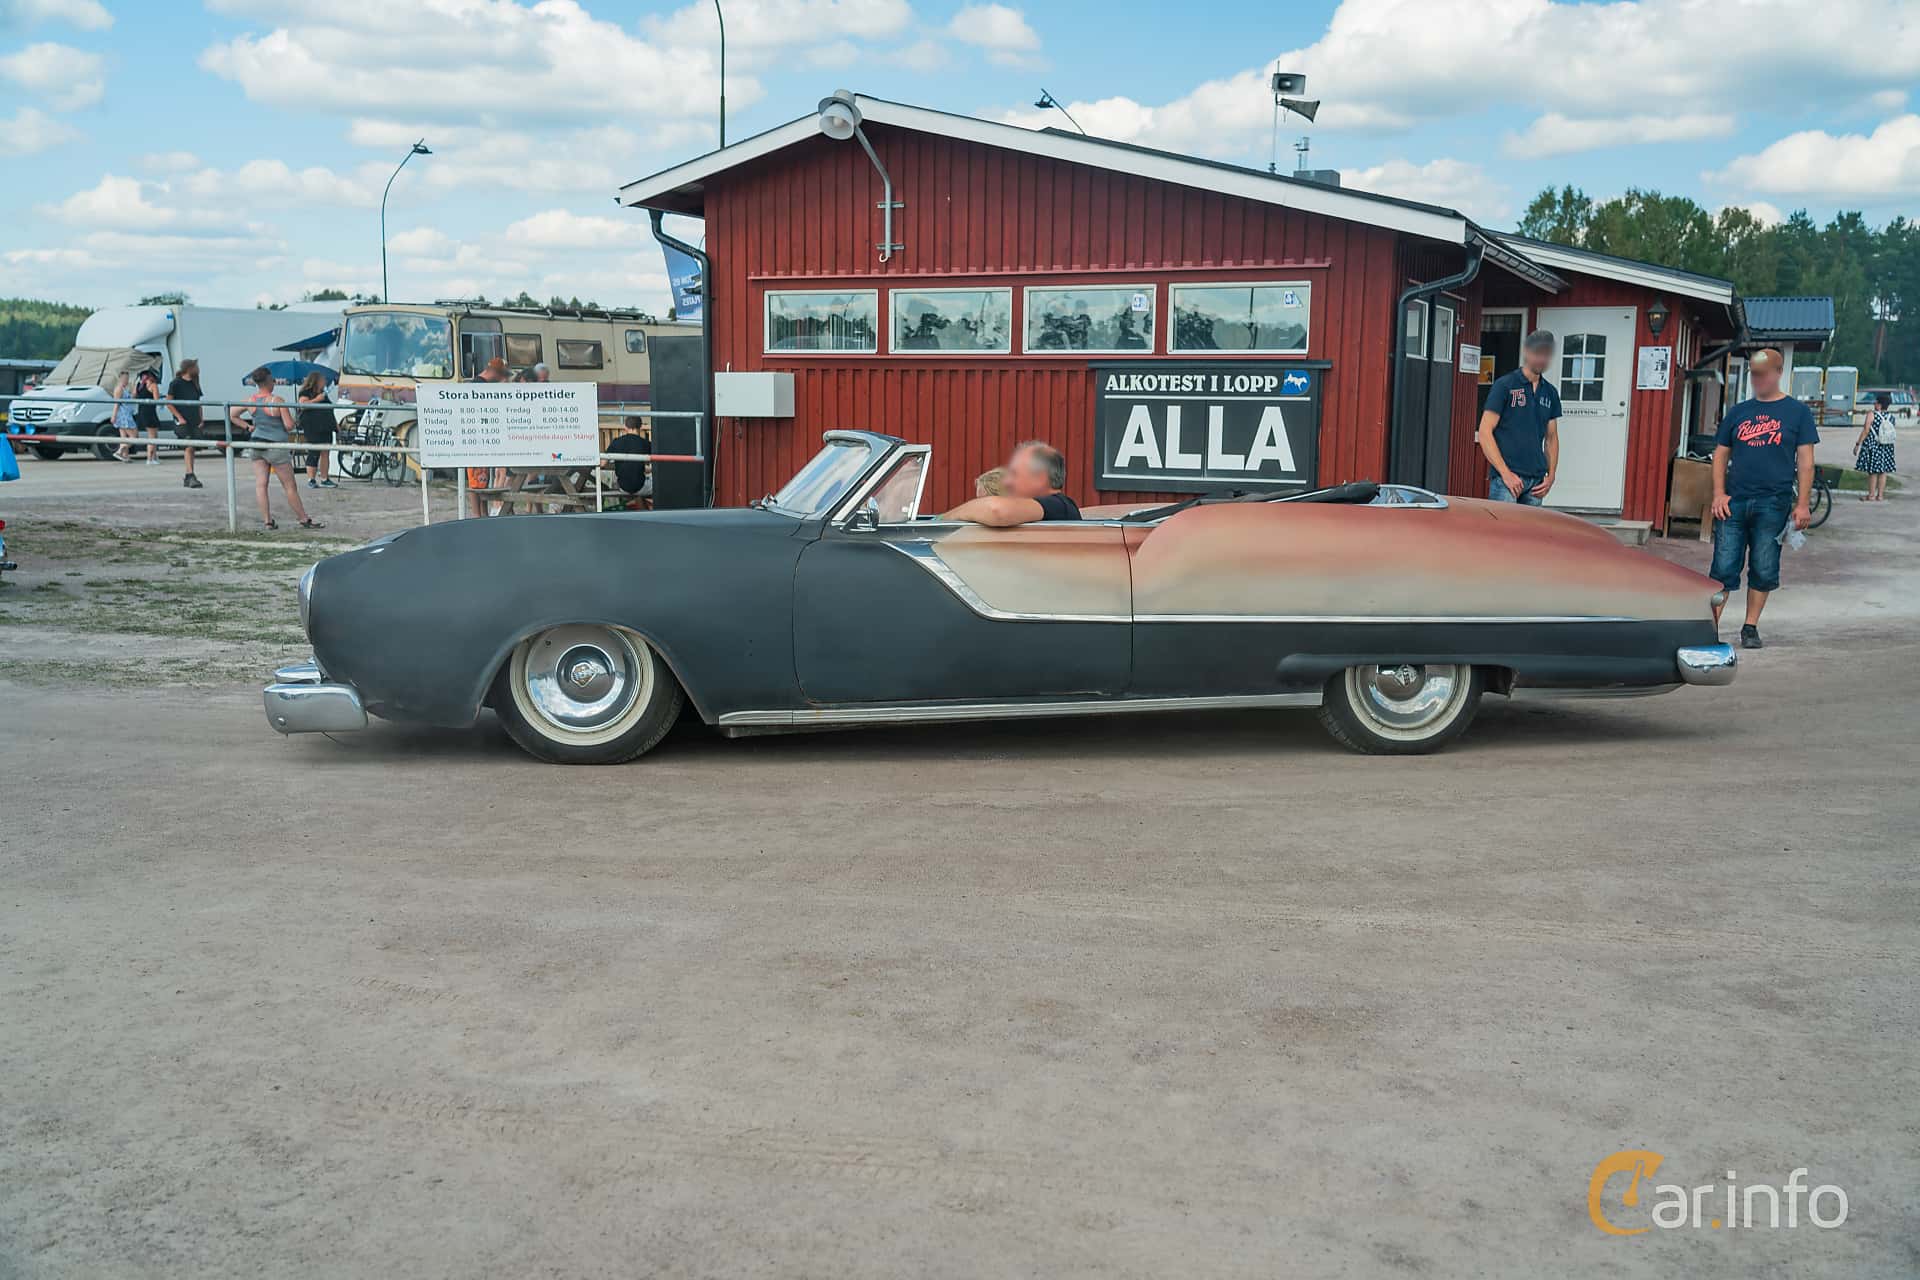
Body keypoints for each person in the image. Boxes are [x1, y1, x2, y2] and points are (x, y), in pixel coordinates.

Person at [1710, 348, 1815, 649]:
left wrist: (1803, 504)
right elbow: (1720, 455)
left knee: (1764, 566)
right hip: (1734, 503)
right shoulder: (1738, 412)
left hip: (1774, 503)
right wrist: (1719, 493)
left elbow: (1806, 461)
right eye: (1754, 374)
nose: (1757, 379)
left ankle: (1750, 628)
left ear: (1778, 372)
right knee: (1723, 568)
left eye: (1763, 373)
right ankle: (1710, 629)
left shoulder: (1798, 413)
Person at [1477, 330, 1561, 504]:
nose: (1541, 359)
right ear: (1526, 352)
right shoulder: (1505, 385)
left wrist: (1551, 476)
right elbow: (1485, 432)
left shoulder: (1550, 392)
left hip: (1536, 483)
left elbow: (1551, 438)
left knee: (1530, 532)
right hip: (1507, 481)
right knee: (1504, 531)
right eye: (1537, 353)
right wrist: (1505, 473)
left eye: (1546, 355)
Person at [236, 367, 323, 530]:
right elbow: (289, 425)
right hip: (276, 446)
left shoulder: (251, 400)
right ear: (269, 381)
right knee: (289, 486)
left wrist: (247, 427)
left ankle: (267, 521)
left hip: (256, 444)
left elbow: (232, 414)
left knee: (261, 484)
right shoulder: (277, 401)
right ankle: (303, 518)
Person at [945, 441, 1078, 526]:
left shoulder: (1058, 505)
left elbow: (997, 511)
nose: (1008, 481)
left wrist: (946, 518)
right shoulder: (1051, 506)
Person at [167, 358, 206, 489]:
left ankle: (189, 474)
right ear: (188, 368)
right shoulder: (176, 383)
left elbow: (198, 403)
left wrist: (201, 418)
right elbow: (169, 402)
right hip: (182, 421)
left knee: (192, 448)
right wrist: (179, 417)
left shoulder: (195, 383)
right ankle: (190, 475)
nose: (198, 369)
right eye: (196, 366)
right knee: (188, 445)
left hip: (194, 420)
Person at [1853, 390, 1896, 502]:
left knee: (1873, 471)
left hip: (1874, 445)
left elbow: (1866, 430)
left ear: (1879, 404)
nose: (1874, 404)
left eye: (1876, 402)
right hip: (1886, 446)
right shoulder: (1891, 417)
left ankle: (1871, 495)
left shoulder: (1872, 414)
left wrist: (1858, 443)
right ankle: (1880, 496)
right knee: (1883, 471)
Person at [297, 372, 337, 489]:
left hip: (326, 425)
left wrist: (335, 424)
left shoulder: (324, 394)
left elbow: (329, 409)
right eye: (323, 380)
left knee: (326, 452)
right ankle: (311, 479)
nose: (325, 382)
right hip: (312, 426)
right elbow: (303, 405)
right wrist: (316, 400)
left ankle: (325, 478)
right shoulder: (306, 392)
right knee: (314, 451)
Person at [132, 368, 163, 465]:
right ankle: (150, 458)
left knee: (153, 435)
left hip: (141, 411)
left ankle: (154, 456)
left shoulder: (139, 386)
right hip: (150, 412)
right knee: (152, 436)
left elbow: (134, 396)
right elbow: (156, 399)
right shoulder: (153, 385)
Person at [110, 370, 137, 462]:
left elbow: (132, 398)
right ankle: (119, 451)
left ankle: (125, 455)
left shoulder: (125, 389)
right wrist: (114, 416)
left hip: (127, 413)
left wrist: (134, 388)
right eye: (125, 378)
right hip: (123, 415)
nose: (126, 380)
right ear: (120, 379)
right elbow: (116, 404)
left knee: (123, 437)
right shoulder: (119, 389)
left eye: (127, 378)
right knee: (134, 437)